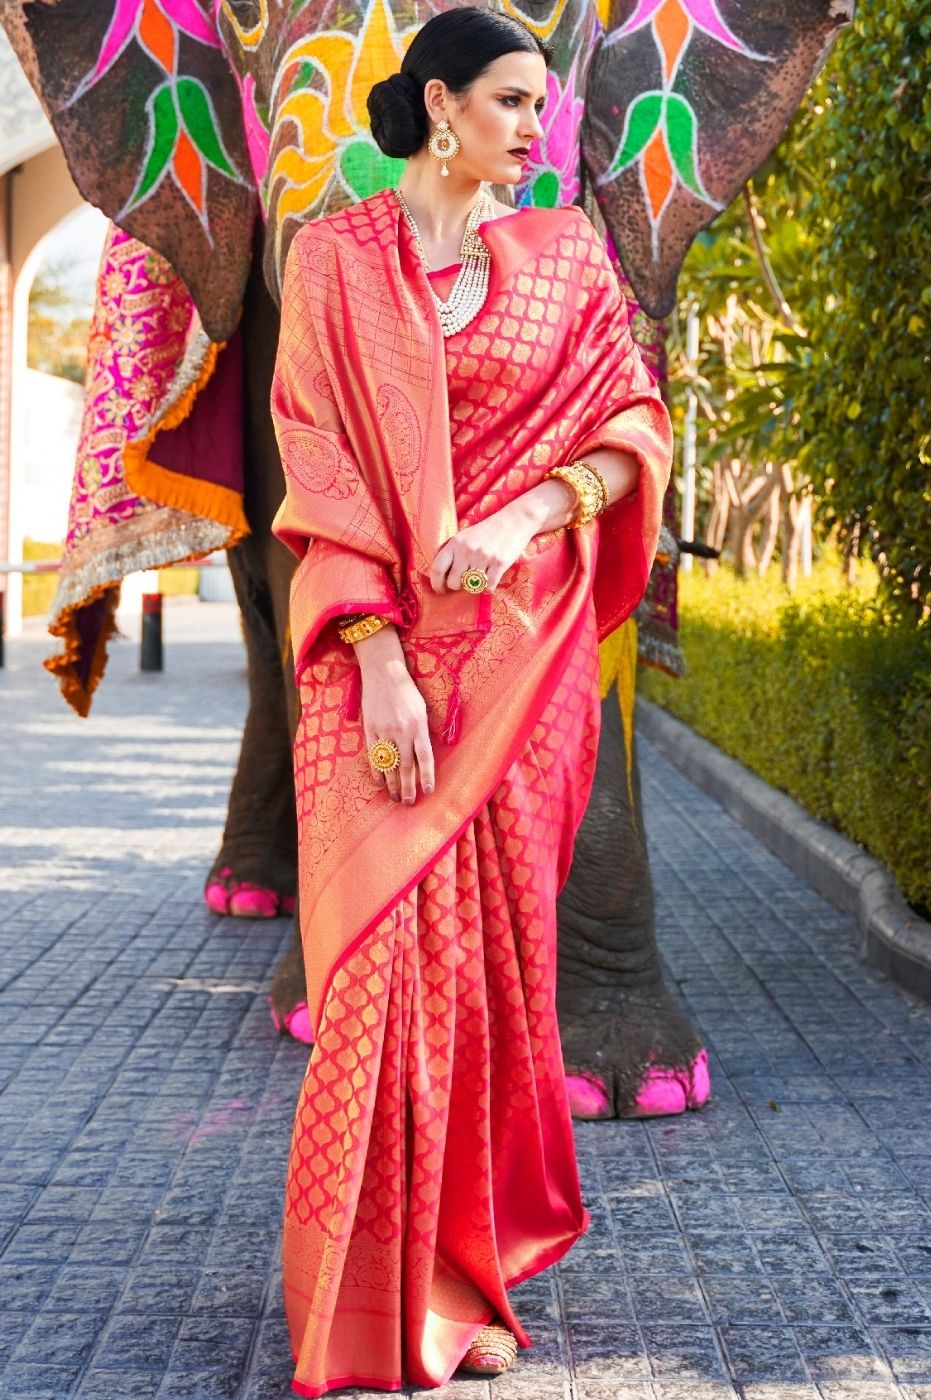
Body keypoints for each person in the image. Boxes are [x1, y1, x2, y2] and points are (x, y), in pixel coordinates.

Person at [269, 7, 673, 1393]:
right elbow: (318, 463)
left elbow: (633, 428)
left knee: (491, 976)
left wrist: (521, 518)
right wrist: (378, 656)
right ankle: (357, 1301)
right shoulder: (332, 259)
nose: (534, 125)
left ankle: (465, 1281)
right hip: (370, 657)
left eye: (541, 102)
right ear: (439, 104)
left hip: (519, 657)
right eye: (510, 99)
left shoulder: (566, 255)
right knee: (374, 971)